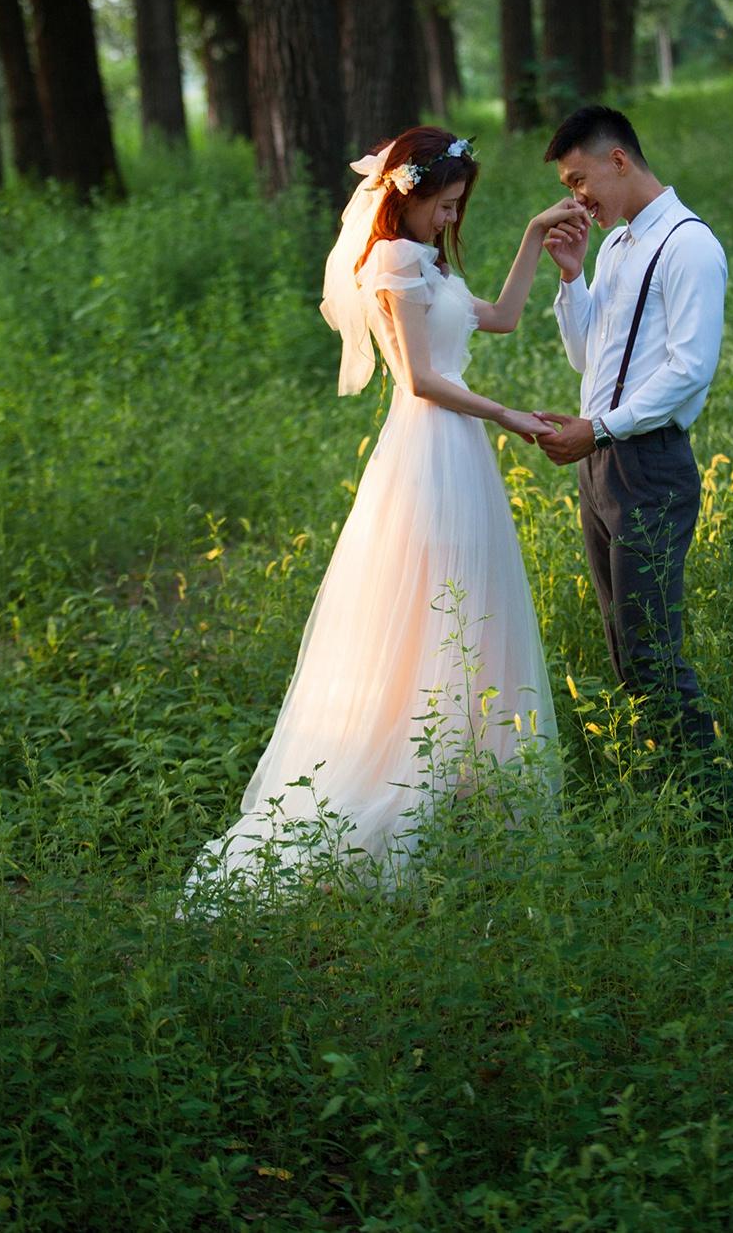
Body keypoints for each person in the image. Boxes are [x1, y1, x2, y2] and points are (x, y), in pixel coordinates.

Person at [178, 127, 581, 915]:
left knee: (475, 610)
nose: (448, 220)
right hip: (428, 452)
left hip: (462, 453)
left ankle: (472, 788)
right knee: (430, 610)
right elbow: (422, 379)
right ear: (409, 196)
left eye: (459, 207)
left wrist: (535, 234)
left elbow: (497, 317)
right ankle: (407, 785)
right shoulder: (392, 263)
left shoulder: (429, 261)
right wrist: (507, 414)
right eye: (443, 205)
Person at [537, 105, 733, 817]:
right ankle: (676, 800)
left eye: (579, 178)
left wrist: (600, 430)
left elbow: (688, 370)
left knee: (654, 652)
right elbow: (586, 357)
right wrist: (570, 279)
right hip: (602, 468)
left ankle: (722, 825)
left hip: (648, 467)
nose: (576, 197)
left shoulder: (688, 246)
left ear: (617, 159)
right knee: (625, 649)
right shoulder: (617, 245)